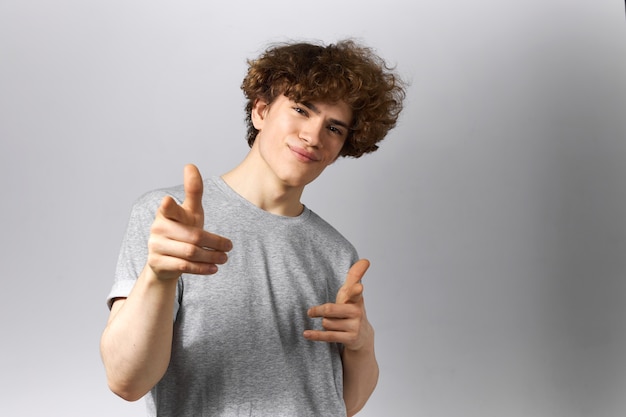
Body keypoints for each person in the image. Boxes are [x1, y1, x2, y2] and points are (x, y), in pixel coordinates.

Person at [100, 39, 405, 417]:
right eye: (300, 109)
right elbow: (126, 380)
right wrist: (158, 276)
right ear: (261, 111)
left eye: (334, 128)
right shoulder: (168, 221)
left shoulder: (337, 252)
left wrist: (362, 343)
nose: (313, 136)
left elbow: (344, 404)